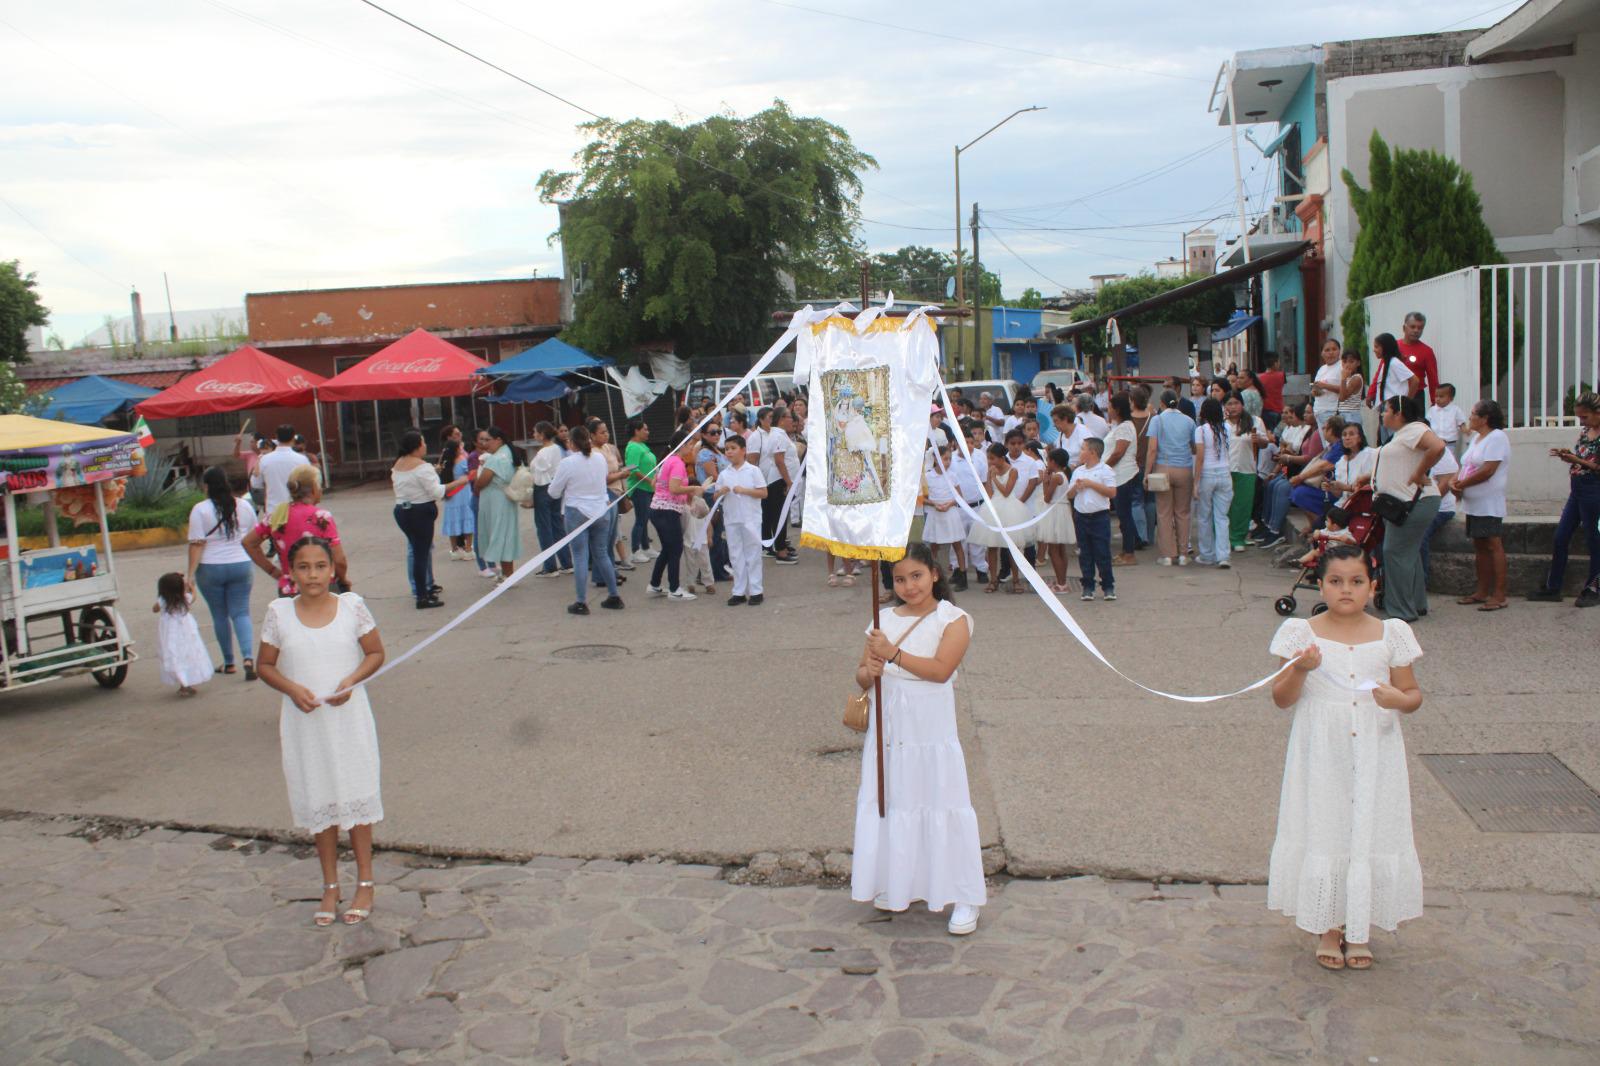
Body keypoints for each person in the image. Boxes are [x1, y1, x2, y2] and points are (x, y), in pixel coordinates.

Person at [1268, 544, 1425, 970]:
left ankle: (1360, 930)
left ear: (1372, 587)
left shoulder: (1391, 633)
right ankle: (1329, 926)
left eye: (1356, 581)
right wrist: (1301, 669)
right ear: (1320, 586)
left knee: (1368, 828)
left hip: (1376, 748)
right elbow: (1282, 698)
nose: (1346, 590)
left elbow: (1412, 694)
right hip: (1322, 751)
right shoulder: (1301, 633)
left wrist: (1399, 699)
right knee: (1328, 826)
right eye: (1336, 581)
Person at [852, 543, 984, 936]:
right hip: (890, 728)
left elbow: (941, 670)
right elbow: (861, 675)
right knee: (897, 802)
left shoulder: (953, 619)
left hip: (930, 730)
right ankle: (902, 882)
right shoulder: (882, 620)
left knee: (942, 801)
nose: (909, 586)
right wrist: (871, 669)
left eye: (917, 576)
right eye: (900, 579)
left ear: (934, 574)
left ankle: (964, 894)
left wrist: (893, 654)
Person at [255, 536, 386, 928]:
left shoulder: (351, 607)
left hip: (349, 721)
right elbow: (265, 665)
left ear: (332, 570)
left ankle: (365, 882)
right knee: (321, 800)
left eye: (319, 566)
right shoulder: (279, 613)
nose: (312, 575)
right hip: (306, 723)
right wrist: (292, 689)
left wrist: (352, 680)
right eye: (303, 567)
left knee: (356, 797)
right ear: (291, 573)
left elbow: (376, 653)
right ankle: (330, 885)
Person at [1371, 396, 1446, 621]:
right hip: (1401, 503)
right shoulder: (1400, 435)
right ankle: (1415, 603)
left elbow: (1438, 447)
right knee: (1407, 553)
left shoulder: (1414, 429)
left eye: (1386, 410)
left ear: (1399, 413)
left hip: (1413, 503)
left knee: (1394, 552)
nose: (1382, 414)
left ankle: (1401, 610)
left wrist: (1419, 473)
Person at [186, 466, 258, 679]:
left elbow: (197, 544)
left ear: (206, 486)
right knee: (241, 613)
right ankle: (248, 657)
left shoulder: (200, 509)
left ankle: (229, 662)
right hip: (241, 564)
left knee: (219, 615)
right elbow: (254, 534)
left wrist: (189, 576)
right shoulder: (244, 506)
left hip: (210, 567)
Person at [1529, 392, 1600, 606]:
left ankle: (1593, 589)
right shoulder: (1586, 431)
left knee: (1594, 540)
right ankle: (1553, 586)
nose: (1582, 421)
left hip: (1594, 490)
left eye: (1585, 417)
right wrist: (1569, 456)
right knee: (1560, 537)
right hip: (1577, 489)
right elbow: (1582, 457)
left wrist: (1576, 459)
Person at [550, 424, 623, 615]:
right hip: (601, 509)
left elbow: (554, 491)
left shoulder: (567, 463)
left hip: (577, 511)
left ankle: (581, 601)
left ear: (572, 443)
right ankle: (614, 595)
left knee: (580, 556)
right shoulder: (599, 458)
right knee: (602, 553)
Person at [244, 465, 348, 598]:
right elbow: (339, 560)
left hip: (290, 589)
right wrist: (343, 580)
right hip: (322, 587)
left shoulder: (278, 515)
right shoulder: (322, 517)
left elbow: (248, 543)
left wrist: (273, 571)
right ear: (314, 488)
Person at [1451, 400, 1512, 611]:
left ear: (1485, 418)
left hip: (1488, 501)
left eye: (1473, 414)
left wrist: (1461, 484)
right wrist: (1455, 481)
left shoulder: (1497, 437)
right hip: (1473, 501)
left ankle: (1499, 594)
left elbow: (1488, 470)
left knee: (1493, 544)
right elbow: (1466, 465)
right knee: (1480, 546)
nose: (1470, 418)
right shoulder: (1477, 438)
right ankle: (1482, 590)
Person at [392, 429, 459, 610]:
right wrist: (461, 481)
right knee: (420, 554)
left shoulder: (399, 462)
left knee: (419, 550)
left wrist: (432, 472)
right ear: (417, 446)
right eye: (423, 442)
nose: (425, 445)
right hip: (419, 512)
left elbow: (412, 482)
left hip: (402, 510)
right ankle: (422, 595)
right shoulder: (422, 466)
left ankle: (425, 587)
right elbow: (437, 492)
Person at [647, 435, 705, 601]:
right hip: (667, 511)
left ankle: (655, 584)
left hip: (661, 509)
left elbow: (656, 483)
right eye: (690, 444)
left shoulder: (669, 460)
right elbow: (674, 488)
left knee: (668, 548)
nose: (692, 447)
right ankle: (674, 589)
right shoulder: (677, 462)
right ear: (683, 445)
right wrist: (693, 488)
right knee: (675, 549)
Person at [1146, 390, 1197, 567]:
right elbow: (1194, 446)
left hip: (1163, 469)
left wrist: (1147, 473)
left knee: (1164, 512)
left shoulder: (1157, 420)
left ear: (1161, 403)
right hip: (1185, 469)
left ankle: (1167, 555)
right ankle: (1183, 554)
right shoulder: (1189, 421)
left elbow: (1152, 449)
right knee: (1183, 513)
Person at [716, 433, 768, 606]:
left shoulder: (753, 471)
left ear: (743, 450)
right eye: (727, 449)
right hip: (732, 519)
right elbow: (716, 496)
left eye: (733, 448)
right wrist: (721, 492)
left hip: (751, 519)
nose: (729, 452)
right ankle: (738, 591)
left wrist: (745, 491)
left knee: (753, 554)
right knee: (735, 555)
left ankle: (756, 591)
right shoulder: (724, 474)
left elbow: (763, 493)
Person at [971, 444, 1028, 594]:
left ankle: (1016, 580)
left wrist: (994, 478)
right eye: (988, 458)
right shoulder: (991, 471)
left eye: (992, 458)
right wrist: (990, 478)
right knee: (992, 546)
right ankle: (993, 580)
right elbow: (990, 494)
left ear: (1002, 458)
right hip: (994, 508)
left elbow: (1006, 492)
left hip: (1010, 509)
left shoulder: (1013, 471)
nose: (990, 462)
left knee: (1012, 547)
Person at [1068, 438, 1117, 601]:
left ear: (1093, 452)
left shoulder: (1105, 470)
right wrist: (1076, 487)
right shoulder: (1078, 471)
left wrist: (1090, 484)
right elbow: (1069, 495)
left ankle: (1108, 585)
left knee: (1102, 552)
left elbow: (1111, 492)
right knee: (1085, 553)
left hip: (1099, 517)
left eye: (1083, 449)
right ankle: (1088, 586)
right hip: (1081, 516)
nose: (1080, 452)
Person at [473, 426, 522, 583]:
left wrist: (476, 484)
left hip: (498, 502)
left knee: (501, 535)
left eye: (488, 440)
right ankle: (507, 573)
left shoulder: (497, 458)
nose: (485, 444)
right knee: (504, 535)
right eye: (483, 440)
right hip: (502, 500)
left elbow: (482, 481)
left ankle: (508, 576)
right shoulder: (506, 453)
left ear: (498, 440)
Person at [1191, 398, 1235, 569]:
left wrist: (1196, 483)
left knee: (1204, 517)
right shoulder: (1227, 428)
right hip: (1225, 473)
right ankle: (1223, 556)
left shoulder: (1201, 430)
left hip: (1207, 475)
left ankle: (1207, 555)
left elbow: (1200, 458)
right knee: (1222, 517)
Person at [153, 572, 211, 697]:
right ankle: (186, 684)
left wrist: (162, 598)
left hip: (170, 633)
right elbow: (193, 597)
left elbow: (154, 609)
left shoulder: (163, 600)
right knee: (187, 654)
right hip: (186, 632)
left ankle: (183, 684)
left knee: (175, 655)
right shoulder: (184, 598)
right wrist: (192, 587)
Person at [922, 442, 968, 591]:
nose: (947, 462)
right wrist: (934, 504)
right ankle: (934, 576)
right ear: (936, 459)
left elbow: (959, 497)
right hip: (935, 514)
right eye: (945, 459)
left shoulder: (952, 476)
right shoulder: (928, 476)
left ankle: (962, 576)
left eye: (949, 459)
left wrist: (949, 504)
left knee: (957, 545)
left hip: (950, 513)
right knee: (934, 546)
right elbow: (922, 498)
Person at [530, 422, 573, 578]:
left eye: (535, 432)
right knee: (557, 526)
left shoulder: (543, 452)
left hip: (542, 488)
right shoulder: (556, 448)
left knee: (544, 529)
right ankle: (566, 563)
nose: (534, 435)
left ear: (542, 435)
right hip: (555, 487)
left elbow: (538, 473)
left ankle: (550, 566)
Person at [1103, 394, 1142, 564]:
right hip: (1117, 476)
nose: (1108, 409)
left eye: (1110, 406)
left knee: (1124, 515)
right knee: (1123, 515)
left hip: (1123, 476)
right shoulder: (1118, 426)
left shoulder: (1125, 427)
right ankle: (1127, 550)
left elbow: (1118, 452)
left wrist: (1103, 468)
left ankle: (1129, 553)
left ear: (1117, 409)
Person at [758, 408, 800, 563]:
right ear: (782, 419)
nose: (793, 420)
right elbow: (779, 461)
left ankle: (781, 546)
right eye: (790, 417)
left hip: (780, 480)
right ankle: (781, 551)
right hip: (779, 481)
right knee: (779, 517)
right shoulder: (778, 435)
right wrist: (789, 482)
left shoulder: (779, 434)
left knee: (779, 516)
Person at [1223, 393, 1261, 552]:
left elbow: (1265, 442)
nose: (1233, 407)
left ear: (1242, 404)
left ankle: (1238, 538)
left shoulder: (1254, 421)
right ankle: (1224, 538)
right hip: (1225, 469)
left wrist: (1259, 440)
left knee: (1243, 505)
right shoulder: (1221, 423)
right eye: (1229, 403)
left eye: (1236, 403)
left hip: (1247, 469)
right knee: (1225, 505)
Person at [1037, 447, 1076, 593]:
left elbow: (1047, 498)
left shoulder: (1055, 477)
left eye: (1048, 460)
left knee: (1054, 550)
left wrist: (1045, 481)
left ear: (1053, 462)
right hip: (1061, 511)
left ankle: (1061, 583)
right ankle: (1062, 581)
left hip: (1055, 512)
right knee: (1061, 549)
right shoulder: (1063, 475)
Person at [1367, 333, 1418, 443]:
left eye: (1377, 347)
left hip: (1393, 408)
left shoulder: (1394, 363)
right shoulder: (1385, 363)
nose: (1374, 350)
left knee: (1394, 441)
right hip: (1385, 408)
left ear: (1385, 347)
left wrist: (1406, 402)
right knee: (1386, 442)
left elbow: (1415, 380)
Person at [1419, 444, 1459, 582]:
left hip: (1439, 508)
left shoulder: (1440, 451)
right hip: (1414, 506)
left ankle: (1421, 581)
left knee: (1419, 534)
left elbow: (1446, 482)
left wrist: (1424, 505)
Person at [624, 419, 658, 562]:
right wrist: (649, 480)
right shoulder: (633, 447)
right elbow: (632, 469)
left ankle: (646, 547)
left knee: (644, 518)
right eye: (645, 429)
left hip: (648, 488)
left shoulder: (642, 445)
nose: (647, 432)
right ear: (636, 431)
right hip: (639, 488)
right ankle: (635, 550)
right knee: (641, 519)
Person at [438, 438, 476, 560]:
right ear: (456, 449)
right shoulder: (462, 460)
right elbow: (471, 474)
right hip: (464, 494)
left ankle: (454, 550)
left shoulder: (445, 463)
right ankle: (468, 549)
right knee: (467, 520)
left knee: (453, 521)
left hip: (451, 495)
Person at [258, 423, 304, 515]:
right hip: (297, 511)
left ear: (277, 437)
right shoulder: (302, 460)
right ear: (293, 438)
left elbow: (257, 483)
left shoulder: (264, 460)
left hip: (273, 511)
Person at [1397, 311, 1440, 405]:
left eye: (1420, 328)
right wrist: (1372, 393)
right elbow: (1382, 371)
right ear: (1404, 328)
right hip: (1394, 394)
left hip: (1416, 397)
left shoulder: (1427, 351)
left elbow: (1433, 379)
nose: (1416, 330)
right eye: (1412, 327)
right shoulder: (1393, 347)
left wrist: (1435, 403)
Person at [1426, 383, 1467, 461]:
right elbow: (1427, 424)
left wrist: (1466, 430)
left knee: (1448, 460)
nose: (1437, 399)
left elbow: (1461, 423)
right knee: (1435, 461)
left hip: (1450, 443)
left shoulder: (1456, 410)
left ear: (1451, 398)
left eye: (1441, 396)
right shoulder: (1432, 410)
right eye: (1436, 396)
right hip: (1435, 442)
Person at [1308, 339, 1344, 429]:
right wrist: (1315, 391)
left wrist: (1325, 386)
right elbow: (1317, 388)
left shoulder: (1342, 366)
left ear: (1339, 351)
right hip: (1319, 411)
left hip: (1333, 411)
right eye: (1327, 350)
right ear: (1322, 353)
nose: (1331, 353)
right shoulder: (1321, 369)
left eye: (1334, 349)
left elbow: (1346, 389)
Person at [1336, 349, 1367, 426]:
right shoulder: (1348, 378)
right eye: (1344, 362)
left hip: (1351, 415)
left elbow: (1342, 397)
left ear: (1358, 363)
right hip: (1344, 413)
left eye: (1351, 362)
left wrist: (1343, 378)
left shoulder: (1356, 378)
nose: (1347, 365)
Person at [1258, 354, 1286, 431]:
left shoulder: (1260, 378)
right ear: (1275, 363)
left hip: (1265, 409)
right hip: (1278, 408)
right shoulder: (1281, 375)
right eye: (1278, 362)